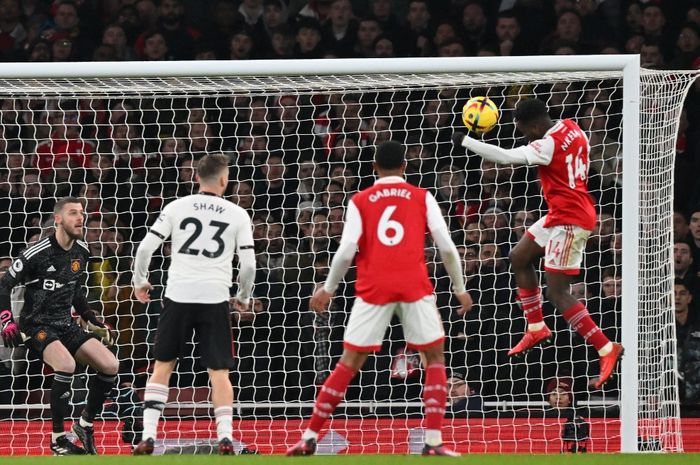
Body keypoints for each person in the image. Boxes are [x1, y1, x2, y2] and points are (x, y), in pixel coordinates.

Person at [286, 140, 472, 457]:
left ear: (374, 168)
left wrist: (328, 288)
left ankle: (309, 436)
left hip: (373, 288)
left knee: (348, 363)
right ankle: (434, 441)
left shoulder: (360, 200)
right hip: (415, 286)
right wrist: (459, 287)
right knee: (435, 359)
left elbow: (346, 251)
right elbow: (447, 247)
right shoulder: (422, 197)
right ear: (404, 167)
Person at [461, 98, 623, 389]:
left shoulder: (547, 145)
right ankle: (536, 327)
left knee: (557, 292)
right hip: (560, 212)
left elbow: (504, 157)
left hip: (570, 221)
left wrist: (466, 141)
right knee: (518, 256)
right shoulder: (573, 127)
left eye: (525, 131)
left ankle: (605, 347)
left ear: (535, 125)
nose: (525, 136)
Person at [131, 153, 255, 455]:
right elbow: (249, 265)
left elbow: (145, 247)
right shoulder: (237, 214)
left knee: (162, 366)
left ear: (196, 177)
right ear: (225, 180)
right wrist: (243, 296)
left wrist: (140, 281)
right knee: (219, 372)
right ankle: (225, 436)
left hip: (178, 295)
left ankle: (148, 436)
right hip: (214, 297)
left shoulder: (176, 207)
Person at [0, 197, 119, 455]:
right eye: (73, 213)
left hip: (66, 324)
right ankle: (57, 440)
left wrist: (91, 318)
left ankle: (84, 425)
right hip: (36, 325)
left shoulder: (83, 251)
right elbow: (4, 285)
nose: (80, 218)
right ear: (58, 219)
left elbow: (75, 291)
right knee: (66, 365)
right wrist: (6, 319)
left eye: (82, 213)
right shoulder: (35, 252)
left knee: (110, 365)